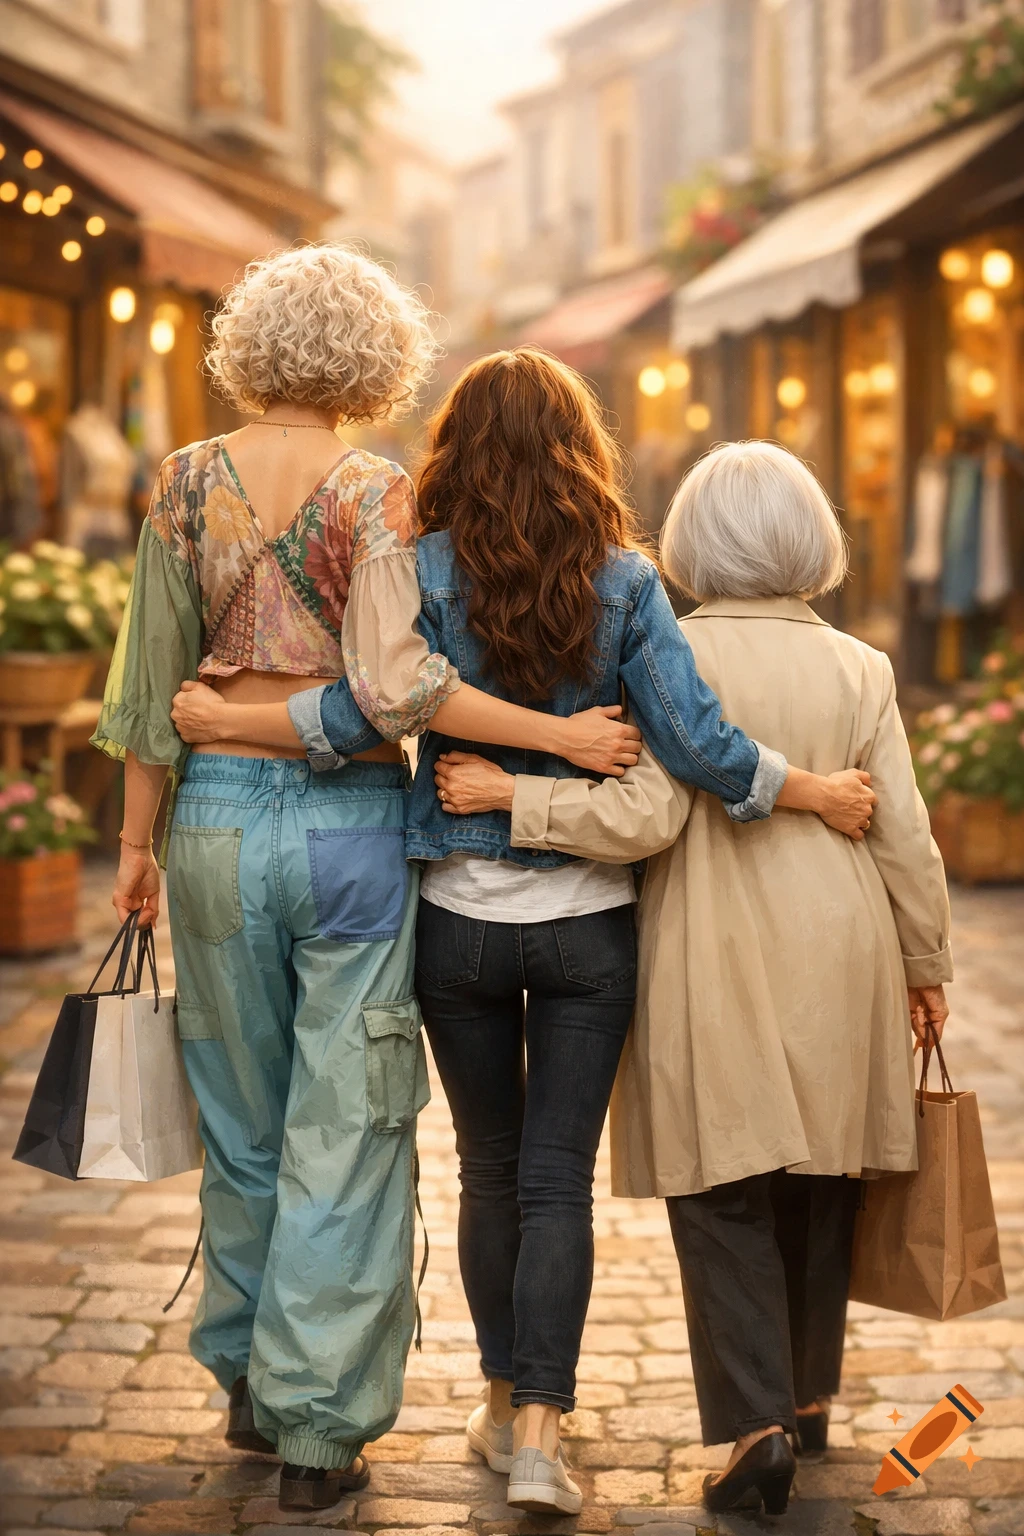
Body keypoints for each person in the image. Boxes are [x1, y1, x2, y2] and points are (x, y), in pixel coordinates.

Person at [170, 352, 877, 1515]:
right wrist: (806, 789)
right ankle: (545, 1431)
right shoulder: (626, 581)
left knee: (487, 1172)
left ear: (454, 448)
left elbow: (370, 702)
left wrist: (240, 721)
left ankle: (499, 1403)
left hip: (455, 921)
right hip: (589, 930)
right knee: (558, 1183)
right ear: (579, 452)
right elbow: (697, 744)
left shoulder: (419, 565)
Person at [91, 255, 646, 1515]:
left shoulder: (177, 484)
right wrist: (313, 722)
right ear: (371, 359)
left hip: (212, 835)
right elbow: (399, 692)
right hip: (349, 832)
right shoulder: (377, 494)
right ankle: (318, 1428)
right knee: (345, 1125)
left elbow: (148, 694)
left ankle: (242, 1375)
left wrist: (136, 848)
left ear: (252, 346)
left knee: (239, 1120)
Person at [433, 439, 952, 1521]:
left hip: (716, 942)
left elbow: (643, 814)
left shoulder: (667, 645)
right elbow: (902, 831)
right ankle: (808, 1400)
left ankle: (757, 1423)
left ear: (695, 543)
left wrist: (511, 803)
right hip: (845, 940)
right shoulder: (862, 666)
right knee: (824, 1175)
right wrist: (925, 963)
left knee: (722, 1189)